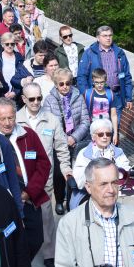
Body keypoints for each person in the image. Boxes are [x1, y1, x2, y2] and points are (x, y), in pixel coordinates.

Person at [17, 83, 72, 267]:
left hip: (44, 179)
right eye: (31, 99)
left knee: (47, 217)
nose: (36, 102)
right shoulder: (15, 119)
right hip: (21, 179)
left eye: (39, 98)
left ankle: (49, 253)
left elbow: (62, 148)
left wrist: (66, 169)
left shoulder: (52, 120)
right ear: (24, 99)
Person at [0, 97, 51, 260]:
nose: (7, 123)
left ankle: (22, 266)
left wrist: (29, 192)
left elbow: (43, 164)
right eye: (2, 119)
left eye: (10, 118)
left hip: (29, 198)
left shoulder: (28, 135)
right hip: (5, 202)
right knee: (9, 241)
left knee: (36, 239)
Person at [44, 68, 91, 213]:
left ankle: (72, 201)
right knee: (59, 174)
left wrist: (74, 137)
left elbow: (85, 121)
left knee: (75, 173)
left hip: (76, 142)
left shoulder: (78, 97)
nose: (65, 86)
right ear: (56, 84)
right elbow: (50, 124)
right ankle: (59, 200)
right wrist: (64, 140)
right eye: (61, 84)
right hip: (59, 144)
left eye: (67, 83)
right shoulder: (49, 100)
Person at [77, 25, 133, 127]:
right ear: (98, 38)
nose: (108, 38)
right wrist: (86, 94)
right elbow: (81, 76)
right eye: (105, 36)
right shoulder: (89, 53)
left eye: (110, 35)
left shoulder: (119, 53)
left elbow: (127, 76)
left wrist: (128, 97)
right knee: (98, 127)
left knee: (115, 126)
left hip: (116, 96)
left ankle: (114, 138)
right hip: (97, 96)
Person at [70, 119, 130, 209]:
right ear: (93, 137)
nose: (105, 137)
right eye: (101, 134)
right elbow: (80, 177)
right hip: (90, 193)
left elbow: (125, 169)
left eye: (108, 134)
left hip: (116, 191)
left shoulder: (118, 152)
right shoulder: (85, 153)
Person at [83, 68, 119, 146]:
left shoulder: (111, 94)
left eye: (102, 82)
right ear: (93, 80)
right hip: (93, 129)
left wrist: (115, 133)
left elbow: (113, 115)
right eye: (96, 82)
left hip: (107, 128)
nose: (99, 85)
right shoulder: (88, 94)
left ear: (105, 80)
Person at [0, 32, 24, 99]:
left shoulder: (19, 57)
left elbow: (22, 76)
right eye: (7, 44)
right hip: (1, 94)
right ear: (2, 44)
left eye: (12, 44)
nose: (10, 46)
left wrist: (15, 92)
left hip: (16, 94)